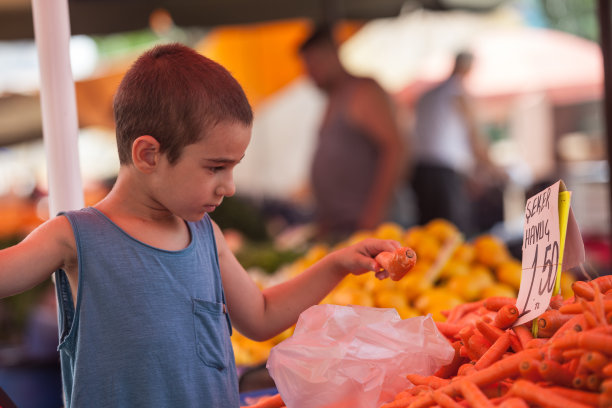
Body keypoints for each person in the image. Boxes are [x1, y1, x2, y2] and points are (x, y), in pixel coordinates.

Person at [0, 44, 402, 407]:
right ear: (148, 155)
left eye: (233, 167)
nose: (228, 187)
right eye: (215, 167)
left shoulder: (206, 235)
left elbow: (261, 315)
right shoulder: (73, 237)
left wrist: (336, 264)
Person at [299, 25, 404, 241]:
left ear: (333, 55)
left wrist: (373, 215)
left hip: (370, 228)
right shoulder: (333, 98)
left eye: (314, 64)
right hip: (341, 227)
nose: (309, 74)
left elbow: (397, 148)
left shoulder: (362, 91)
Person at [411, 51, 506, 237]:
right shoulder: (457, 93)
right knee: (453, 235)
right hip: (445, 172)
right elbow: (474, 134)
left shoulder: (427, 95)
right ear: (468, 68)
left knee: (427, 236)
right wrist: (493, 167)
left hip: (420, 170)